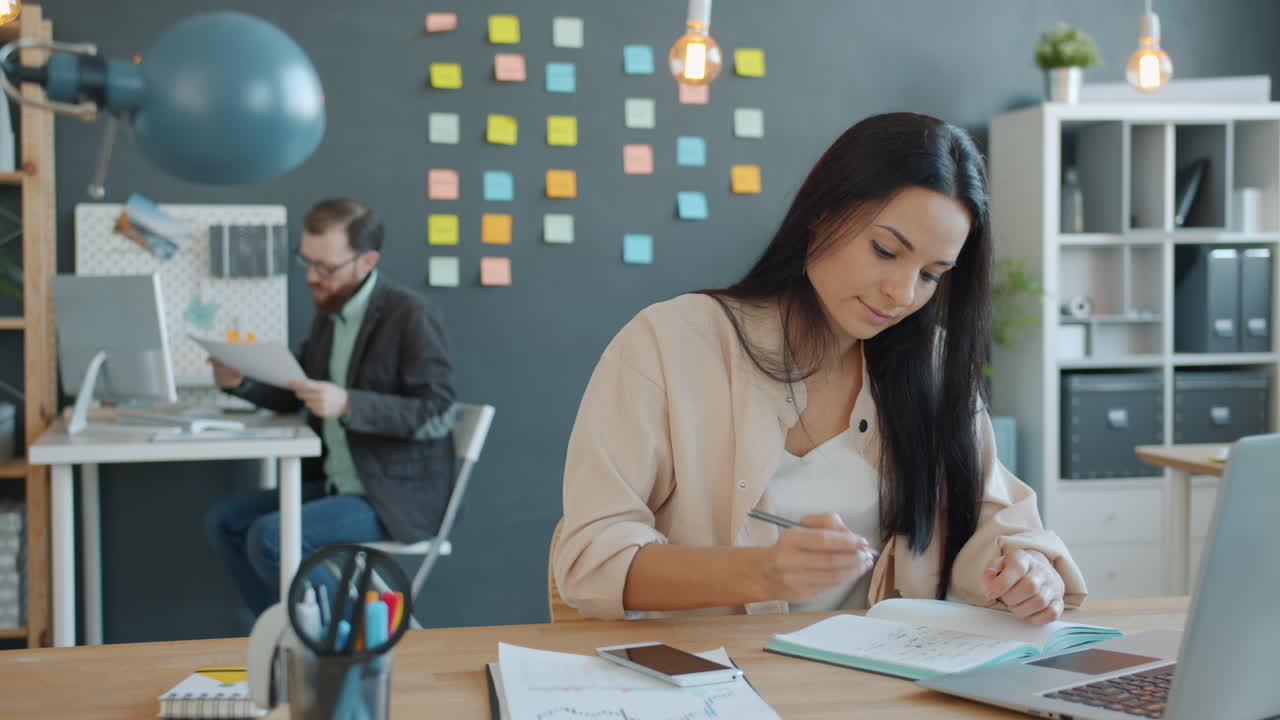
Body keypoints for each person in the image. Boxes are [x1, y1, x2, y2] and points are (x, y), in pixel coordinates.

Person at [553, 113, 1087, 624]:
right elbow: (591, 557)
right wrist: (760, 574)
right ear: (824, 213)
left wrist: (1027, 573)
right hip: (701, 685)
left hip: (870, 690)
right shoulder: (668, 343)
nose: (901, 293)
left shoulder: (933, 365)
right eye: (884, 250)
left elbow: (993, 525)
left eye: (930, 274)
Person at [204, 198, 459, 616]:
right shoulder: (331, 314)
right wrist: (242, 381)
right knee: (226, 522)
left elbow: (437, 411)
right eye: (307, 262)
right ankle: (289, 631)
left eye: (325, 267)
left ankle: (355, 636)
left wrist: (348, 404)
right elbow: (299, 391)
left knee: (270, 538)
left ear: (366, 261)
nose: (312, 277)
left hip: (391, 497)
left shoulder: (410, 315)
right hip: (337, 484)